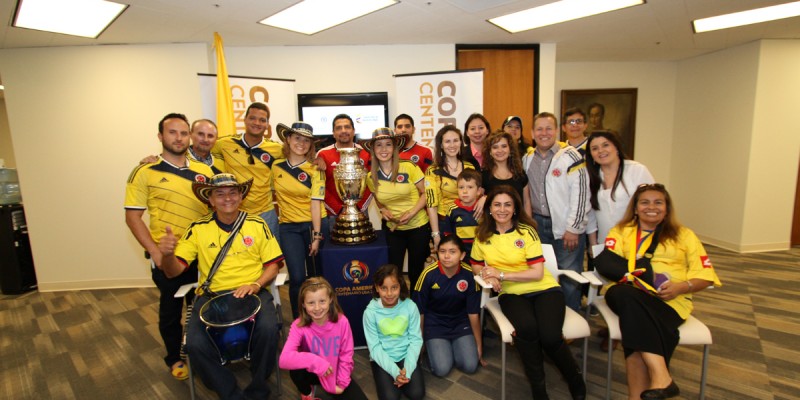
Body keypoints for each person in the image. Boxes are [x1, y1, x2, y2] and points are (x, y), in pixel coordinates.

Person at [158, 173, 284, 399]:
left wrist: (256, 284)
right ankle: (232, 395)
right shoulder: (197, 228)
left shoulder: (257, 224)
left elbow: (273, 266)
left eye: (233, 192)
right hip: (213, 297)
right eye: (220, 193)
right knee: (195, 345)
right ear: (211, 200)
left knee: (268, 329)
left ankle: (258, 391)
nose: (227, 198)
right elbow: (173, 270)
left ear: (240, 197)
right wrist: (166, 255)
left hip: (253, 293)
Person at [601, 183, 721, 400]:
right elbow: (608, 264)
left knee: (634, 323)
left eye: (658, 202)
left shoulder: (685, 236)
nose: (651, 207)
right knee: (623, 295)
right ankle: (662, 376)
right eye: (644, 202)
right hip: (628, 293)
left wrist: (681, 287)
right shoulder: (621, 231)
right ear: (636, 208)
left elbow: (705, 276)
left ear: (667, 208)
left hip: (669, 302)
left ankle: (638, 395)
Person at [471, 186, 586, 400]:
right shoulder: (482, 235)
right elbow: (476, 264)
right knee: (527, 329)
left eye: (508, 204)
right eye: (497, 204)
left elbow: (536, 273)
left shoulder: (526, 231)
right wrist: (489, 274)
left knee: (550, 337)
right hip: (512, 294)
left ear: (515, 209)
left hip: (544, 289)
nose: (502, 209)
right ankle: (538, 389)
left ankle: (574, 378)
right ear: (489, 209)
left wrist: (501, 275)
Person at [124, 112, 214, 381]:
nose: (178, 138)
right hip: (168, 257)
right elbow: (132, 217)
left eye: (183, 133)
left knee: (202, 307)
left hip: (202, 255)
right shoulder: (144, 172)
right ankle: (174, 358)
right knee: (171, 312)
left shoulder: (204, 171)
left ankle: (203, 352)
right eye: (172, 132)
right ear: (161, 137)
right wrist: (154, 251)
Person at [523, 112, 590, 312]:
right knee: (545, 274)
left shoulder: (571, 156)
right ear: (532, 133)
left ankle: (572, 318)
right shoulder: (527, 159)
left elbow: (581, 194)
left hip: (565, 227)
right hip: (538, 225)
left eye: (548, 128)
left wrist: (574, 228)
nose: (544, 133)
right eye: (539, 129)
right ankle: (550, 316)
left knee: (569, 274)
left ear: (557, 130)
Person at [361, 128, 430, 290]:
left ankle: (417, 310)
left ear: (394, 148)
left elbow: (426, 193)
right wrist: (382, 210)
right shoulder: (371, 176)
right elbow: (377, 199)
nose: (383, 149)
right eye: (378, 145)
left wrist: (412, 212)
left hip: (418, 227)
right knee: (394, 273)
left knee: (415, 273)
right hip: (393, 230)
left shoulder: (409, 167)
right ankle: (400, 306)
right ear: (373, 149)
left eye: (388, 145)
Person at [279, 277, 368, 400]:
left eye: (322, 301)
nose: (317, 308)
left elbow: (346, 355)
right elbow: (284, 360)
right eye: (311, 303)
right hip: (312, 371)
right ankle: (307, 393)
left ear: (330, 299)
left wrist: (341, 384)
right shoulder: (298, 325)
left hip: (334, 370)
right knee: (296, 370)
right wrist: (316, 362)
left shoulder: (342, 322)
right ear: (303, 304)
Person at [273, 122, 328, 318]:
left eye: (306, 140)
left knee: (317, 277)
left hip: (314, 225)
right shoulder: (275, 166)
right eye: (297, 138)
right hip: (288, 228)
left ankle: (320, 320)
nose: (301, 143)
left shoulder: (316, 170)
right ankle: (299, 321)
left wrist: (316, 235)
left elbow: (316, 204)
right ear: (288, 139)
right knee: (296, 277)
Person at [211, 102, 283, 241]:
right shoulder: (224, 144)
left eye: (262, 120)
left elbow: (298, 158)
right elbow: (198, 152)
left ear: (267, 124)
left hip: (266, 212)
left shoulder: (276, 149)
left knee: (273, 258)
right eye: (252, 118)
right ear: (244, 120)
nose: (257, 123)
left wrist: (316, 160)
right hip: (233, 211)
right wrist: (157, 158)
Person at [413, 235, 483, 377]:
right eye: (442, 251)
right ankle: (438, 347)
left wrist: (478, 344)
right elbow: (419, 312)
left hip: (460, 323)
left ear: (462, 255)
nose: (446, 256)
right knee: (442, 369)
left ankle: (452, 347)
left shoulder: (469, 275)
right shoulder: (428, 274)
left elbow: (473, 313)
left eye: (452, 252)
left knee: (470, 366)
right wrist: (419, 343)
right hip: (435, 324)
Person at [363, 264, 425, 400]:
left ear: (400, 287)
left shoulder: (410, 306)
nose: (389, 293)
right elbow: (374, 347)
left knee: (417, 393)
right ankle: (395, 379)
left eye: (394, 287)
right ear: (377, 288)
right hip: (382, 356)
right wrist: (395, 372)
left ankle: (402, 378)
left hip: (406, 355)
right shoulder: (370, 312)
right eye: (384, 288)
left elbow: (416, 340)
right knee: (390, 397)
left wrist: (406, 371)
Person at [585, 130, 654, 247]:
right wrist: (593, 244)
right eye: (595, 148)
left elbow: (652, 206)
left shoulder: (637, 170)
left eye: (605, 145)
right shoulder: (590, 176)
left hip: (637, 243)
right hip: (606, 243)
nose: (601, 151)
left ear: (616, 147)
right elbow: (590, 213)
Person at [424, 125, 477, 250]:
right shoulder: (433, 171)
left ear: (460, 142)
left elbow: (476, 194)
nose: (452, 145)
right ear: (441, 145)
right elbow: (431, 204)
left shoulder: (470, 167)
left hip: (469, 221)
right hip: (445, 223)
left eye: (456, 140)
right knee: (449, 262)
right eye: (447, 141)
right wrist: (436, 234)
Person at [316, 114, 372, 223]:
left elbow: (371, 183)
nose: (343, 131)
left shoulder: (365, 153)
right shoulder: (323, 154)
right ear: (333, 133)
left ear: (353, 130)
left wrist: (359, 208)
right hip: (333, 215)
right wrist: (338, 209)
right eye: (338, 128)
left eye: (347, 127)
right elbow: (320, 187)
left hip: (360, 212)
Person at [481, 130, 530, 206]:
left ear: (510, 150)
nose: (500, 150)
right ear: (490, 152)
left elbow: (526, 202)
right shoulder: (483, 176)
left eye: (504, 146)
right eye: (495, 147)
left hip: (519, 218)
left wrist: (528, 218)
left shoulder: (520, 174)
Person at [441, 169, 482, 260]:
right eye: (461, 187)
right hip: (460, 255)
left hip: (481, 254)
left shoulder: (483, 209)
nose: (465, 191)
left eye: (470, 187)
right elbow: (448, 234)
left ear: (478, 191)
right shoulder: (452, 209)